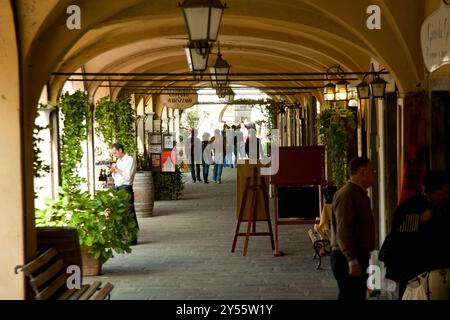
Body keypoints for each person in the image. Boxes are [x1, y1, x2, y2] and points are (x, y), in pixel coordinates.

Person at [380, 171, 450, 299]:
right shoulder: (411, 205)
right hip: (412, 269)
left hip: (437, 269)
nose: (447, 194)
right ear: (435, 190)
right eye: (445, 190)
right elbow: (397, 232)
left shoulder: (443, 206)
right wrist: (420, 219)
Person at [330, 157, 377, 301]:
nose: (374, 174)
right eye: (372, 170)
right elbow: (343, 230)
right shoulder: (347, 195)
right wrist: (352, 260)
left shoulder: (358, 193)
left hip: (357, 255)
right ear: (362, 172)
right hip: (347, 258)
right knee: (350, 296)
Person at [110, 142, 139, 246]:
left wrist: (117, 169)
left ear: (120, 150)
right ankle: (123, 236)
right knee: (120, 213)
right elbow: (116, 178)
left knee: (129, 213)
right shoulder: (118, 160)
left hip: (126, 188)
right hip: (118, 188)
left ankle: (133, 238)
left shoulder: (130, 160)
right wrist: (113, 172)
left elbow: (128, 177)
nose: (114, 155)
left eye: (115, 152)